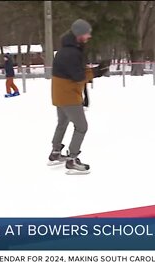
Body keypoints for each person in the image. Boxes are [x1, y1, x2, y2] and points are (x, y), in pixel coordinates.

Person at [48, 19, 109, 174]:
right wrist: (97, 72)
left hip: (59, 95)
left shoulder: (64, 50)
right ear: (78, 35)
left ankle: (55, 152)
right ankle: (72, 159)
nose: (89, 36)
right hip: (69, 96)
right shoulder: (72, 53)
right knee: (82, 127)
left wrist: (94, 71)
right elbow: (78, 76)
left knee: (62, 123)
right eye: (86, 33)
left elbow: (76, 72)